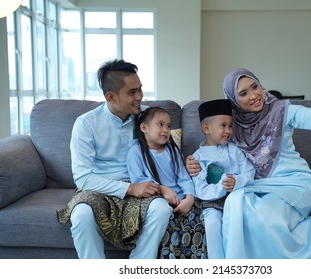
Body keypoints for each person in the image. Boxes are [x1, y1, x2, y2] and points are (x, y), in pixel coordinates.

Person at [186, 68, 311, 258]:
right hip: (258, 186)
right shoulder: (232, 126)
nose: (254, 95)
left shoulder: (282, 110)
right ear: (233, 100)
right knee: (236, 204)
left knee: (264, 216)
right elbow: (215, 150)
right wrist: (192, 162)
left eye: (255, 86)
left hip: (295, 182)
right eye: (243, 93)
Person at [57, 59, 172, 259]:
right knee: (81, 214)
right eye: (132, 92)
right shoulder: (86, 124)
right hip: (98, 189)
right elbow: (83, 178)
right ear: (110, 96)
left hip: (140, 186)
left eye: (140, 90)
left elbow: (167, 149)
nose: (139, 97)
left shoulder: (145, 119)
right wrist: (129, 189)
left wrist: (189, 163)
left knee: (162, 209)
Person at [127, 106, 206, 259]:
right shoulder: (135, 152)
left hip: (182, 200)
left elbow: (184, 177)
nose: (165, 130)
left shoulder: (172, 150)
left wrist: (189, 198)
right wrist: (163, 190)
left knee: (200, 219)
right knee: (169, 225)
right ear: (144, 127)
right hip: (160, 201)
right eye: (160, 124)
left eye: (168, 126)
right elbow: (140, 182)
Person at [192, 99, 255, 259]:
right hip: (211, 203)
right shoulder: (197, 158)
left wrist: (236, 182)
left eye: (230, 125)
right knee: (212, 223)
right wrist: (221, 186)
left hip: (238, 200)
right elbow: (201, 190)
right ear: (206, 128)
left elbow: (249, 173)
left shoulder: (235, 151)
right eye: (223, 125)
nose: (228, 130)